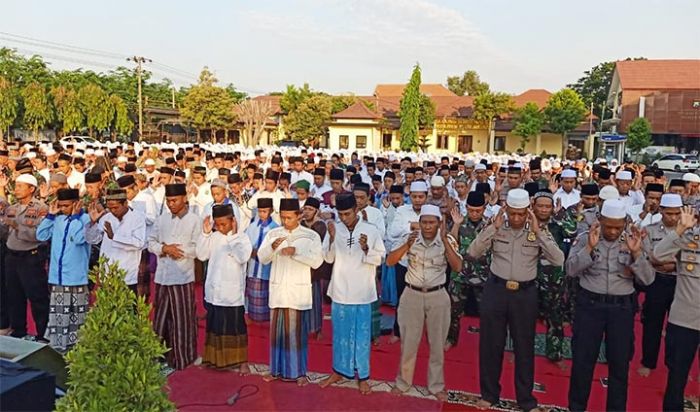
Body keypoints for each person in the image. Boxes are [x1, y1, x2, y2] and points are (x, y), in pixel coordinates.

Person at [467, 189, 565, 411]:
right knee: (491, 345)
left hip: (525, 294)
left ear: (527, 211)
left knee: (524, 347)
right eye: (513, 214)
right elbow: (473, 251)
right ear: (506, 210)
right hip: (496, 290)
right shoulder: (496, 226)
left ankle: (525, 399)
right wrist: (493, 228)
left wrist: (539, 233)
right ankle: (489, 394)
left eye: (521, 214)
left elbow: (558, 259)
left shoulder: (538, 230)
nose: (517, 219)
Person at [566, 199, 654, 411]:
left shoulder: (635, 240)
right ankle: (576, 407)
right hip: (590, 306)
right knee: (582, 362)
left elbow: (648, 279)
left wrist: (636, 253)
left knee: (619, 364)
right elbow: (570, 270)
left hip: (621, 309)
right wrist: (589, 248)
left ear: (624, 222)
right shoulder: (585, 238)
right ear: (600, 220)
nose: (613, 231)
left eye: (618, 227)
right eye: (608, 226)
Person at [387, 205, 462, 401]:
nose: (428, 227)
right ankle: (403, 382)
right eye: (424, 222)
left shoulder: (447, 240)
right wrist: (406, 246)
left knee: (437, 343)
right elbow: (390, 261)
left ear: (439, 223)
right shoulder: (410, 238)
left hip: (437, 296)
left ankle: (436, 385)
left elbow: (458, 266)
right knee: (409, 343)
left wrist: (445, 240)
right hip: (411, 294)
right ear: (419, 223)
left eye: (432, 222)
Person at [319, 194, 384, 394]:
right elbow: (328, 259)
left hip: (363, 292)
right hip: (339, 290)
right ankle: (338, 371)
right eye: (341, 214)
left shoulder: (370, 230)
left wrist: (365, 249)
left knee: (362, 337)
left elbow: (380, 258)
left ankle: (363, 376)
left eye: (347, 214)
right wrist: (330, 238)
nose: (344, 218)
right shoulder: (335, 229)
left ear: (356, 209)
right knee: (339, 336)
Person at [258, 198, 323, 386]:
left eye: (289, 218)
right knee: (276, 335)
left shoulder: (311, 236)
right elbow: (262, 258)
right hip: (278, 291)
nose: (286, 222)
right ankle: (275, 370)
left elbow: (317, 262)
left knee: (297, 335)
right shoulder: (273, 234)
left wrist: (296, 252)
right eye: (283, 217)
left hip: (298, 292)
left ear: (299, 215)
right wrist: (272, 247)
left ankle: (299, 372)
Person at [148, 183, 201, 370]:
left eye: (175, 200)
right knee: (160, 319)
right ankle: (158, 357)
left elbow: (198, 249)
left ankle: (182, 357)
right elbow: (150, 242)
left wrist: (178, 251)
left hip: (183, 276)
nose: (171, 204)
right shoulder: (161, 219)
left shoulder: (195, 220)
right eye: (168, 201)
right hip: (162, 276)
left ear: (184, 198)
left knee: (182, 319)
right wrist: (163, 249)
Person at [653, 205, 700, 412]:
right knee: (677, 378)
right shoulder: (689, 240)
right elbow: (658, 255)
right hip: (684, 320)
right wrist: (680, 230)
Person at [196, 204, 252, 373]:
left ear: (233, 221)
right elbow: (201, 255)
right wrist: (205, 233)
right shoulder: (212, 237)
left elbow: (242, 257)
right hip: (214, 291)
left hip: (232, 293)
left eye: (224, 224)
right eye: (217, 224)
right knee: (214, 327)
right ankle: (213, 359)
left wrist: (233, 235)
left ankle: (242, 362)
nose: (220, 228)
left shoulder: (242, 238)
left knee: (236, 328)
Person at [35, 188, 91, 352]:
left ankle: (77, 349)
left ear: (76, 204)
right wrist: (50, 216)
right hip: (57, 277)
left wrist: (75, 217)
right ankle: (58, 347)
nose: (62, 209)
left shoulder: (86, 219)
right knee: (59, 315)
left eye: (66, 205)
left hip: (76, 277)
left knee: (76, 316)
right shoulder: (57, 219)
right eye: (60, 205)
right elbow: (41, 235)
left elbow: (79, 238)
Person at [637, 193, 683, 378]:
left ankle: (674, 365)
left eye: (676, 213)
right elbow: (649, 256)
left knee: (677, 326)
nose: (673, 217)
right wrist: (665, 261)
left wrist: (673, 263)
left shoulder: (689, 231)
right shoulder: (650, 230)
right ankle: (648, 362)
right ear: (661, 211)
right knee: (652, 324)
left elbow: (687, 258)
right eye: (669, 213)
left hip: (681, 283)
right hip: (656, 281)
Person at [0, 174, 50, 341]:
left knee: (37, 297)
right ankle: (19, 330)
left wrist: (17, 226)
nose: (16, 189)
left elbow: (39, 235)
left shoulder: (40, 208)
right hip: (12, 257)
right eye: (16, 185)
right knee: (14, 296)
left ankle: (42, 333)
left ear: (31, 189)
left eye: (21, 186)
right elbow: (5, 233)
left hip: (30, 258)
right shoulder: (11, 208)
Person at [386, 181, 429, 343]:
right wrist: (413, 225)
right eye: (414, 196)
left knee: (421, 301)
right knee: (402, 299)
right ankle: (397, 332)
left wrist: (413, 226)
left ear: (426, 196)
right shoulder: (402, 210)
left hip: (425, 263)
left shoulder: (432, 211)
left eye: (421, 196)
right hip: (403, 261)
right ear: (409, 196)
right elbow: (393, 232)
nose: (418, 200)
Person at [85, 189, 147, 294]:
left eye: (115, 207)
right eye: (110, 208)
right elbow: (93, 240)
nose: (113, 211)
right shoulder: (107, 217)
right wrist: (93, 223)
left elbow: (139, 243)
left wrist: (114, 236)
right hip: (107, 274)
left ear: (125, 203)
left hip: (127, 275)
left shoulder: (137, 218)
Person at [300, 197, 331, 339]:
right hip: (300, 265)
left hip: (314, 268)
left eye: (310, 210)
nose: (307, 212)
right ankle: (303, 328)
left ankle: (317, 329)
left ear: (316, 211)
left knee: (315, 301)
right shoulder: (300, 223)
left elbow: (316, 244)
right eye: (305, 208)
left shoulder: (320, 225)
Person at [244, 198, 279, 322]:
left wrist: (260, 253)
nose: (262, 214)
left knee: (267, 297)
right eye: (260, 211)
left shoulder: (276, 229)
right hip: (253, 268)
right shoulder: (252, 226)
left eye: (265, 211)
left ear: (271, 211)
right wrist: (251, 252)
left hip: (267, 269)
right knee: (253, 296)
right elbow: (246, 244)